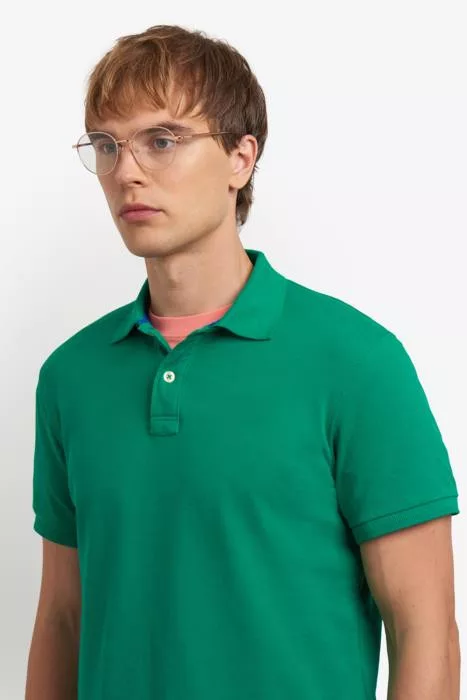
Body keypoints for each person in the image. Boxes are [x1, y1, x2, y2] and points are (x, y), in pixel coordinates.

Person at [25, 24, 460, 700]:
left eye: (161, 140)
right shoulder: (70, 377)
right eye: (107, 145)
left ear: (240, 157)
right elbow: (62, 618)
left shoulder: (355, 362)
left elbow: (425, 629)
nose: (126, 171)